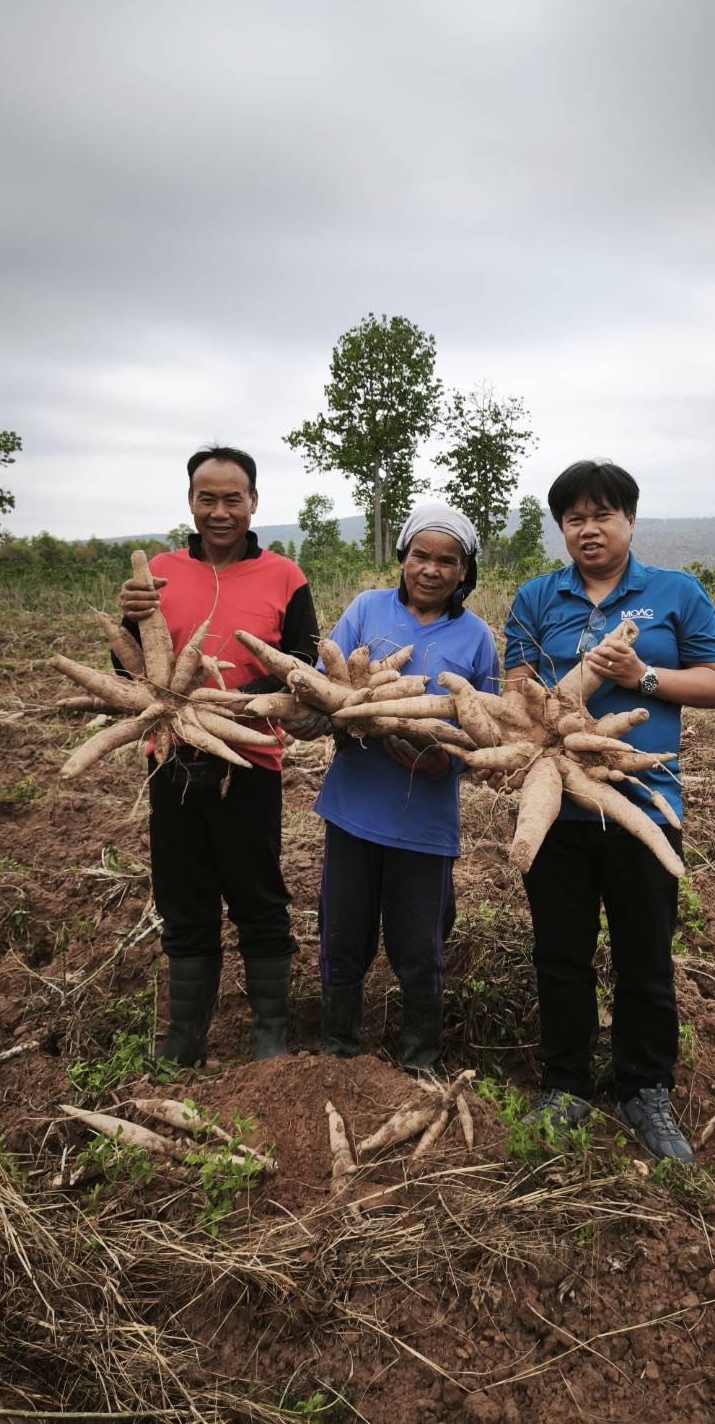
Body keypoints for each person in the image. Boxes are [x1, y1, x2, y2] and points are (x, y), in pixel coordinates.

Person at [503, 460, 715, 1161]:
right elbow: (516, 698)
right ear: (562, 529)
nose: (589, 529)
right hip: (556, 803)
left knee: (645, 956)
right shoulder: (536, 597)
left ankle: (645, 1087)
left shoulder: (676, 592)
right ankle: (567, 1084)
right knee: (560, 954)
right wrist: (572, 693)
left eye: (602, 514)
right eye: (574, 518)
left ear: (630, 520)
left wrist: (645, 677)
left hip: (644, 804)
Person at [117, 445, 320, 1066]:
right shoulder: (158, 573)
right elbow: (128, 674)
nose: (220, 511)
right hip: (171, 759)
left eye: (233, 498)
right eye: (208, 498)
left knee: (259, 898)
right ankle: (185, 1040)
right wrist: (127, 624)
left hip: (251, 760)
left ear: (253, 502)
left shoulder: (285, 576)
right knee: (183, 900)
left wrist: (232, 704)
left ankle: (270, 1039)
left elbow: (303, 665)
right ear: (191, 502)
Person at [312, 502, 499, 1074]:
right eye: (421, 555)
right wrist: (338, 713)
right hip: (352, 809)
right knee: (342, 938)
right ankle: (339, 1053)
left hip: (425, 824)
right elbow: (324, 685)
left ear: (464, 571)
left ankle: (420, 1062)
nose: (431, 570)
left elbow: (489, 731)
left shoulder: (476, 637)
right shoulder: (366, 609)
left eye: (447, 561)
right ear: (403, 557)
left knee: (420, 947)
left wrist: (449, 764)